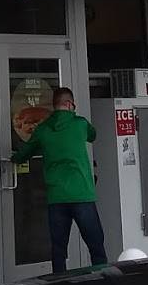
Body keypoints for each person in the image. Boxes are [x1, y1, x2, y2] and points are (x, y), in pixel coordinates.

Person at [11, 86, 106, 273]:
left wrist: (13, 158)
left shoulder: (43, 130)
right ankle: (103, 281)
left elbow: (23, 155)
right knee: (96, 246)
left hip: (56, 197)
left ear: (54, 106)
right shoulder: (80, 124)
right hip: (82, 194)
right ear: (70, 104)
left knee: (59, 249)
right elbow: (93, 135)